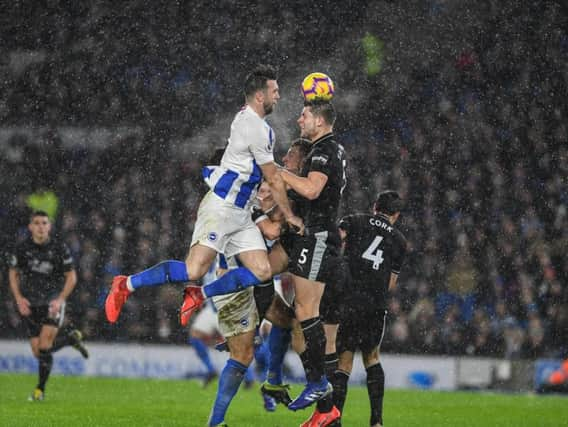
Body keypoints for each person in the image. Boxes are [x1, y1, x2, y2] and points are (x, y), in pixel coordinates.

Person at [104, 65, 303, 326]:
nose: (278, 96)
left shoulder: (258, 125)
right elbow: (273, 177)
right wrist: (290, 213)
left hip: (241, 212)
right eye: (274, 91)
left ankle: (199, 294)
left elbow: (268, 172)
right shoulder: (254, 126)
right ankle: (125, 284)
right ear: (259, 96)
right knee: (193, 269)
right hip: (222, 206)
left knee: (263, 270)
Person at [278, 99, 347, 425]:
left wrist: (276, 171)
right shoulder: (329, 149)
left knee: (307, 312)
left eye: (304, 115)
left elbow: (311, 189)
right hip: (315, 236)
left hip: (318, 237)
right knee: (299, 326)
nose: (299, 119)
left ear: (319, 121)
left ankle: (320, 387)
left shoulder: (323, 150)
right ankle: (326, 410)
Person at [333, 191, 408, 427]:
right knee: (372, 358)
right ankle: (376, 421)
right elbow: (391, 284)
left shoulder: (355, 220)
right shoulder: (399, 241)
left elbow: (334, 241)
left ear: (375, 205)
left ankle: (335, 420)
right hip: (374, 305)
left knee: (343, 362)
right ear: (395, 215)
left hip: (349, 300)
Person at [8, 210, 89, 401]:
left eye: (44, 223)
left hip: (51, 302)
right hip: (30, 303)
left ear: (49, 226)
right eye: (36, 223)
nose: (41, 227)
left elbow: (72, 277)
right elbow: (13, 273)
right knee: (39, 353)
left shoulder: (59, 248)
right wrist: (19, 298)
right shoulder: (22, 248)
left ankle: (39, 391)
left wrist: (60, 299)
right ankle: (70, 340)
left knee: (44, 346)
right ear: (30, 227)